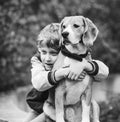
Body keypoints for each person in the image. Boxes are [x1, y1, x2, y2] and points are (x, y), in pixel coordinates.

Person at [24, 23, 109, 122]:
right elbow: (38, 83)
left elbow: (104, 72)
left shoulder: (73, 61)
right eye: (43, 52)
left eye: (53, 53)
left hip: (58, 108)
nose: (47, 58)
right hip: (39, 104)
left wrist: (86, 65)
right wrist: (63, 72)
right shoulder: (37, 60)